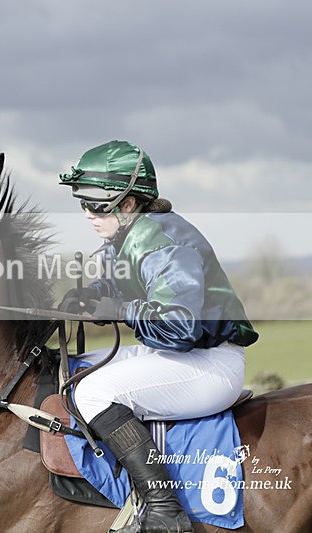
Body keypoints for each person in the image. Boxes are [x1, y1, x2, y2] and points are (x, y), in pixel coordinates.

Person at [57, 140, 258, 533]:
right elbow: (123, 285)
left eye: (98, 205)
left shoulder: (163, 241)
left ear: (129, 203)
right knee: (76, 368)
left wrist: (119, 310)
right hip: (179, 356)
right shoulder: (127, 236)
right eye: (83, 204)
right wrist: (91, 295)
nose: (89, 215)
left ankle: (165, 510)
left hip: (210, 364)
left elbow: (180, 327)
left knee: (93, 393)